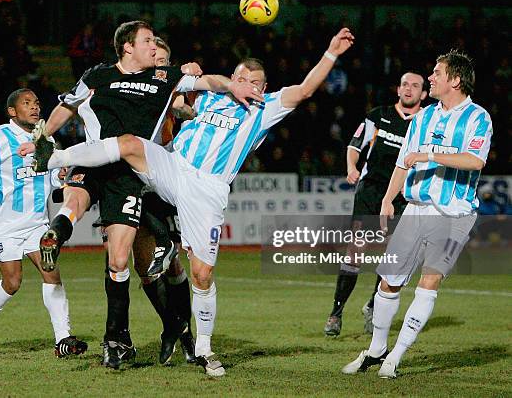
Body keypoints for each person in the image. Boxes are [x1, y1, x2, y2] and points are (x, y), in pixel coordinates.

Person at [30, 28, 356, 376]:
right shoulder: (212, 97)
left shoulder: (266, 107)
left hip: (208, 190)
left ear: (262, 87)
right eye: (242, 77)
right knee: (127, 143)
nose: (248, 84)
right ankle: (53, 159)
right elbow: (174, 94)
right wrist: (178, 70)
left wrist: (332, 52)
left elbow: (305, 89)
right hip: (174, 167)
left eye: (255, 81)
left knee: (202, 274)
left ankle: (203, 346)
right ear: (234, 79)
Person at [21, 20, 260, 370]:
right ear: (127, 47)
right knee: (119, 249)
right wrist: (42, 135)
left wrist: (233, 86)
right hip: (97, 159)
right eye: (148, 41)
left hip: (130, 172)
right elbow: (66, 106)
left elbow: (208, 81)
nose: (154, 46)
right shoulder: (97, 75)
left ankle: (123, 332)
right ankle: (122, 335)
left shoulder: (163, 78)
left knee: (120, 259)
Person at [342, 50, 492, 378]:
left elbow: (475, 161)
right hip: (415, 209)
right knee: (389, 280)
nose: (432, 78)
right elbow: (403, 161)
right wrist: (387, 199)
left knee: (429, 282)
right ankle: (377, 349)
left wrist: (430, 154)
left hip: (456, 214)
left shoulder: (478, 118)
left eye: (437, 73)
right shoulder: (424, 116)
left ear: (454, 80)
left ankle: (396, 356)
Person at [0, 88, 87, 358]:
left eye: (37, 103)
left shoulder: (46, 138)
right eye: (27, 103)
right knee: (12, 283)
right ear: (12, 112)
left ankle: (63, 339)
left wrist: (58, 175)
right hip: (3, 225)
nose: (35, 107)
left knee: (52, 273)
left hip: (37, 222)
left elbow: (50, 180)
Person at [91, 36, 197, 364]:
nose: (158, 66)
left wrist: (193, 105)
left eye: (164, 63)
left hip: (161, 178)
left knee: (173, 262)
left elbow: (184, 107)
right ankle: (172, 329)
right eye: (155, 61)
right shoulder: (131, 85)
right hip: (131, 177)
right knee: (142, 265)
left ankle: (186, 335)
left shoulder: (168, 89)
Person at [324, 72, 427, 337]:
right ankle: (336, 314)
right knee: (355, 252)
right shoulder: (378, 115)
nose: (408, 89)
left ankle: (373, 306)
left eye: (415, 86)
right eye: (405, 84)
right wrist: (351, 166)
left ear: (423, 94)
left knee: (394, 257)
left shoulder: (426, 121)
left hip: (402, 197)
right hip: (370, 193)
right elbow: (354, 144)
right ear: (398, 89)